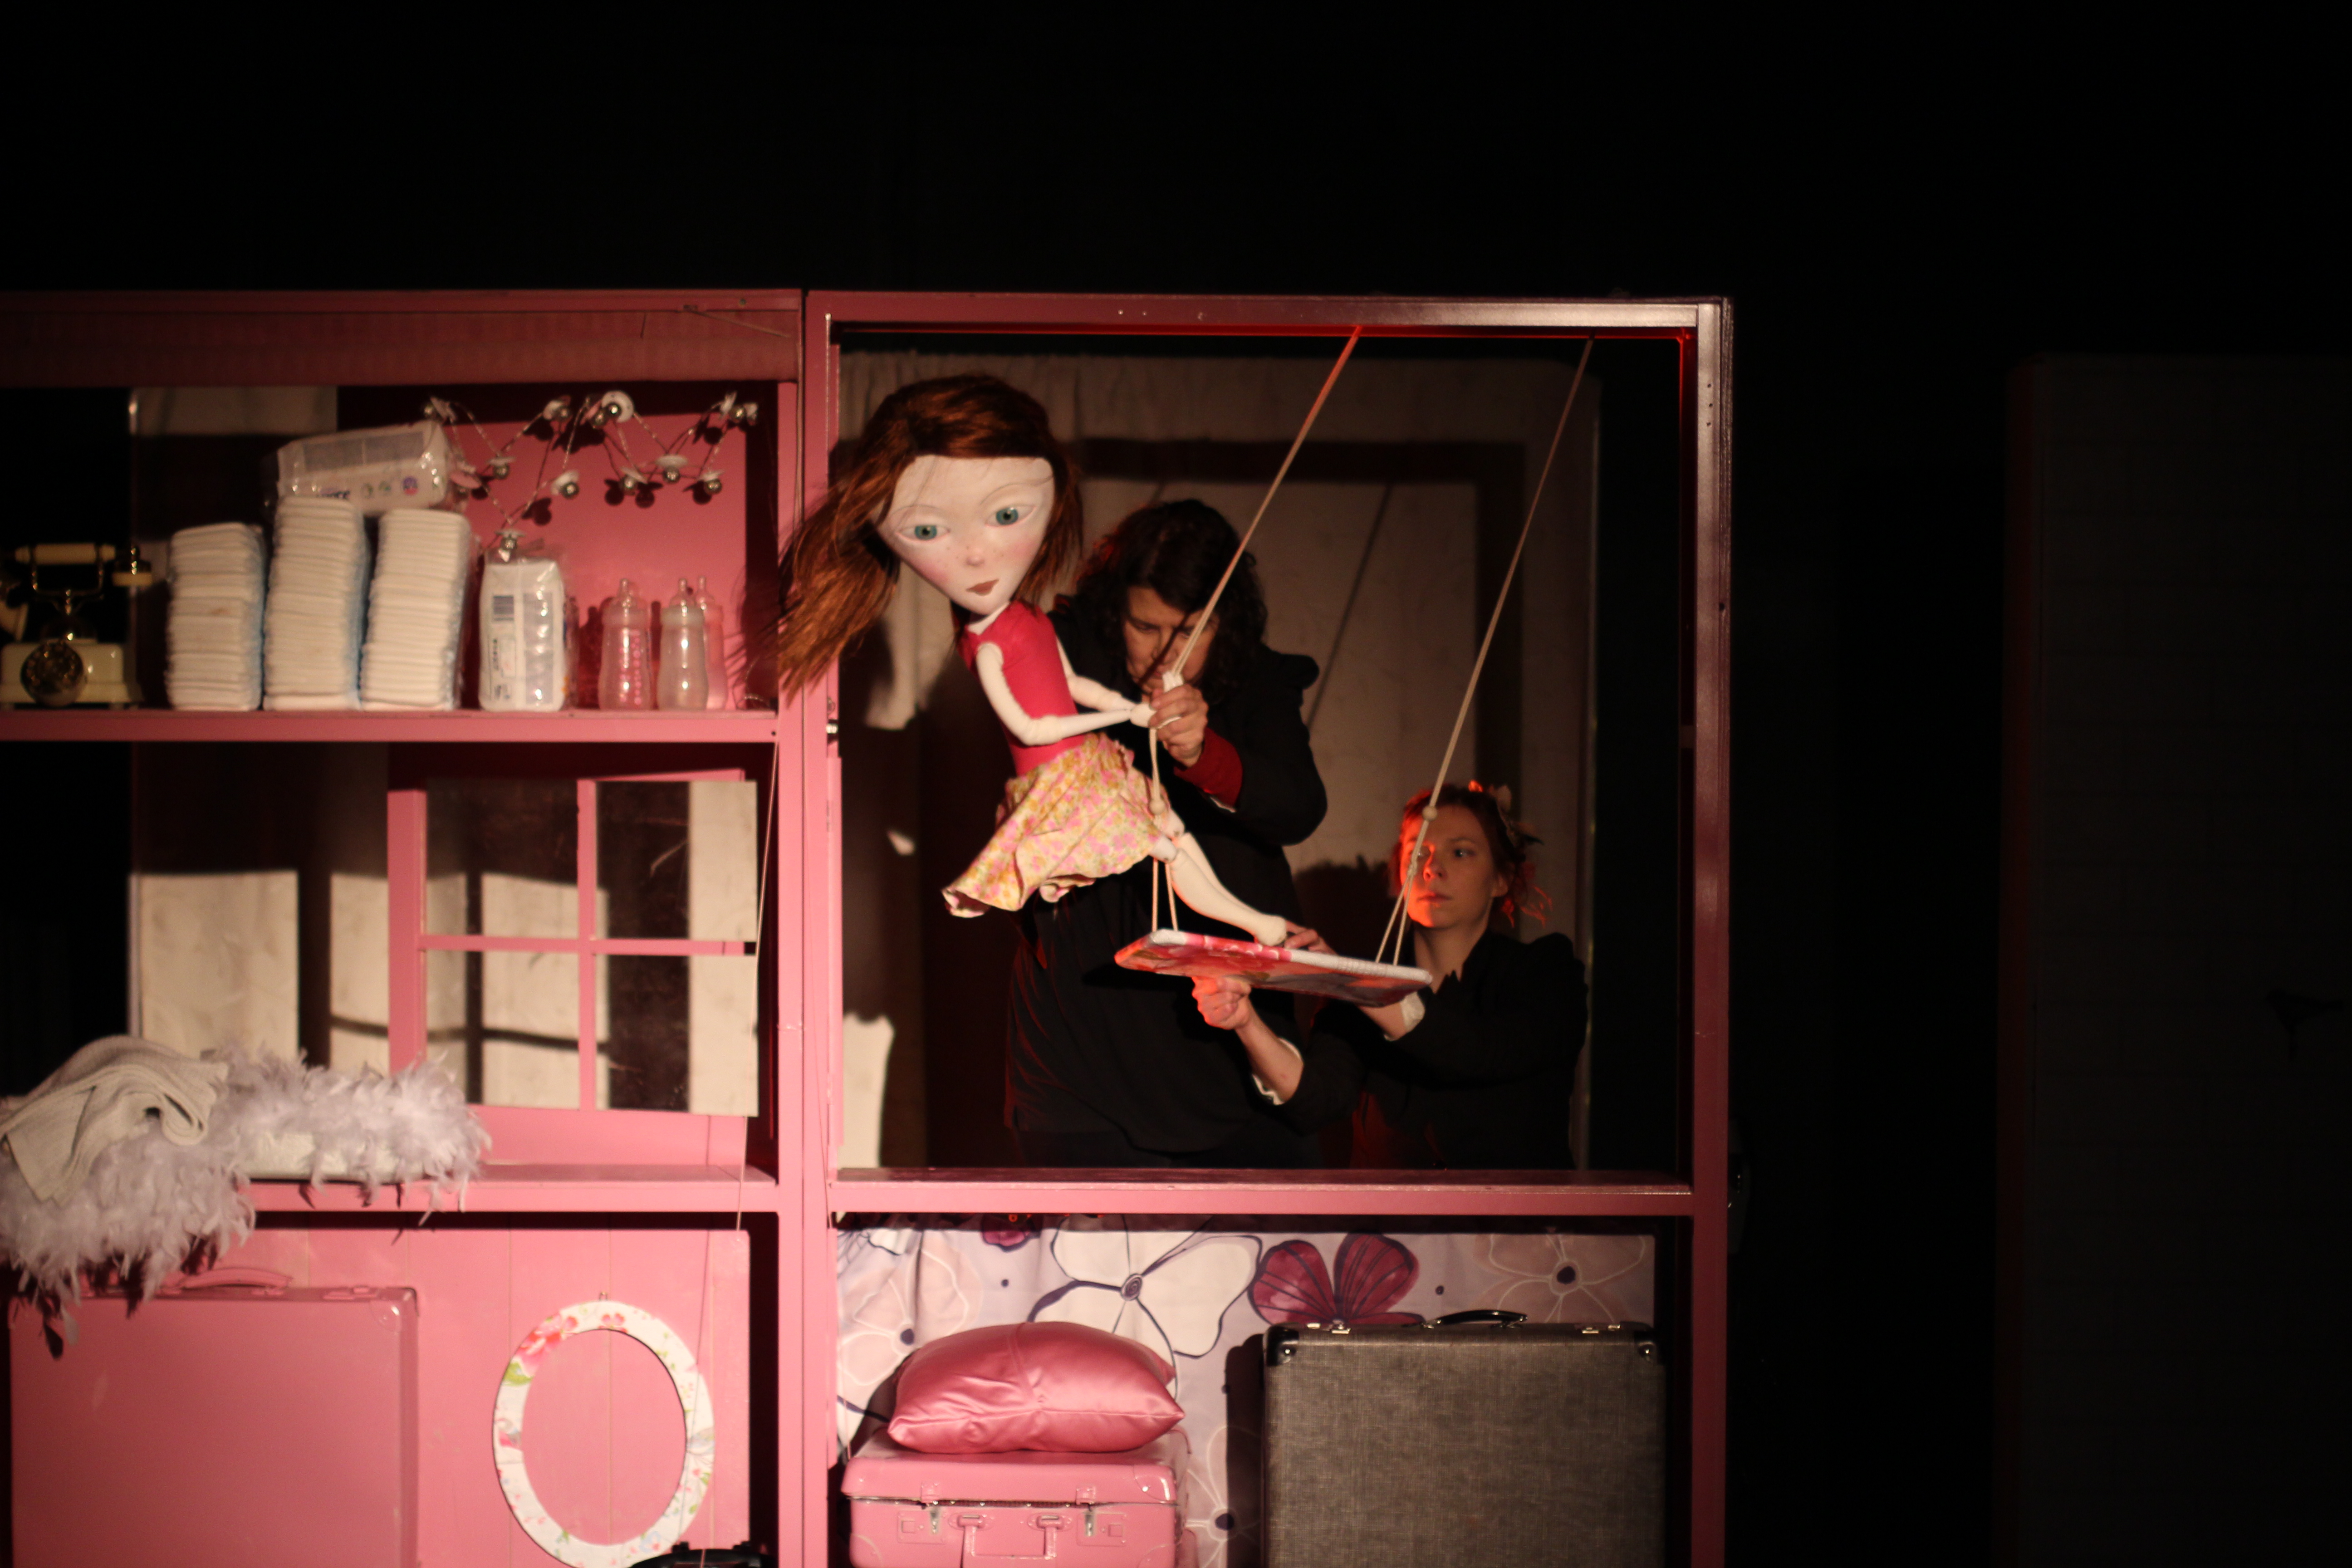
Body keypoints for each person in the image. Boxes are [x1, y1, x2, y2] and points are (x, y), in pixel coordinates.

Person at [774, 374, 1287, 944]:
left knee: (1171, 836)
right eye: (927, 529)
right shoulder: (993, 644)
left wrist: (1130, 711)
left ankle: (1252, 922)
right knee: (1163, 845)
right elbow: (1030, 727)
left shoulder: (1032, 619)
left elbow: (1070, 684)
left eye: (1006, 516)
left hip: (1088, 766)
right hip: (1058, 785)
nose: (975, 554)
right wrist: (1122, 714)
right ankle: (1248, 922)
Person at [1006, 499, 1331, 1168]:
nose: (1164, 654)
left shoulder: (1258, 681)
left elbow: (1299, 807)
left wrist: (1205, 754)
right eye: (1145, 627)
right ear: (1115, 611)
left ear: (1225, 621)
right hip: (1085, 1019)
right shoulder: (1068, 653)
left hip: (1220, 1028)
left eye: (1188, 633)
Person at [1191, 784, 1585, 1169]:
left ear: (1502, 878)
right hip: (1392, 1214)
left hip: (1516, 1212)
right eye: (1418, 853)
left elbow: (1478, 1053)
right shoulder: (1359, 986)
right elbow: (1317, 1101)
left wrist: (1352, 981)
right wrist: (1245, 1022)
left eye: (1461, 852)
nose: (1432, 869)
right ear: (1399, 874)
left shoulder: (1545, 970)